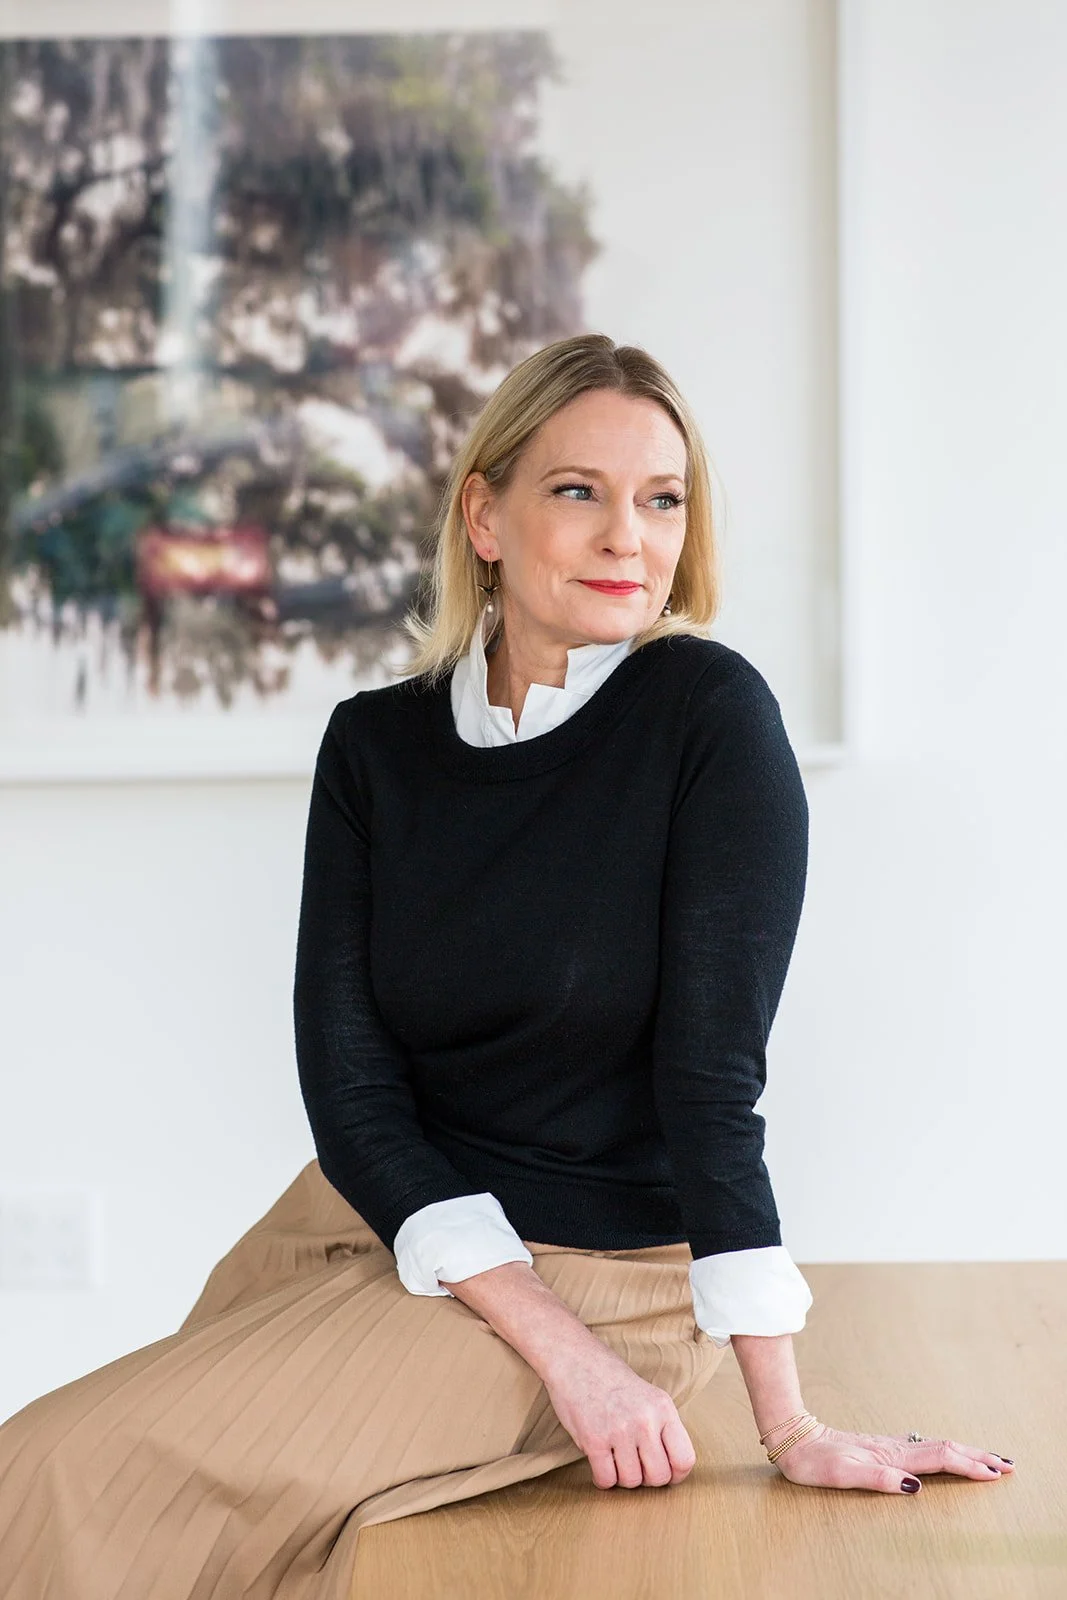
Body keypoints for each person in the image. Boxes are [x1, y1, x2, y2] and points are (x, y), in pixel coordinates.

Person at [0, 333, 1014, 1598]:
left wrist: (786, 1423)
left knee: (39, 1478)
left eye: (660, 499)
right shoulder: (373, 746)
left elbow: (711, 1086)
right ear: (484, 512)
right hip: (361, 1229)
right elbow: (352, 1088)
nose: (625, 539)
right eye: (576, 491)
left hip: (602, 1281)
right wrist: (536, 1333)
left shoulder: (706, 720)